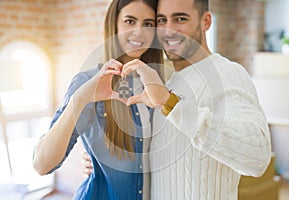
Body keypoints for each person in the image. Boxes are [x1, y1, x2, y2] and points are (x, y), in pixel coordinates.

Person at [83, 0, 272, 199]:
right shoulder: (169, 81)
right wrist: (98, 161)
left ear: (205, 22)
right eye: (162, 20)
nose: (169, 30)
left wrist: (171, 104)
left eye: (180, 19)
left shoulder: (228, 73)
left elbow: (257, 157)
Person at [32, 0, 163, 199]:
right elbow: (42, 164)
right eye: (130, 21)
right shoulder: (88, 82)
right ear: (114, 25)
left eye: (147, 24)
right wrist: (80, 99)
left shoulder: (159, 83)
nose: (139, 31)